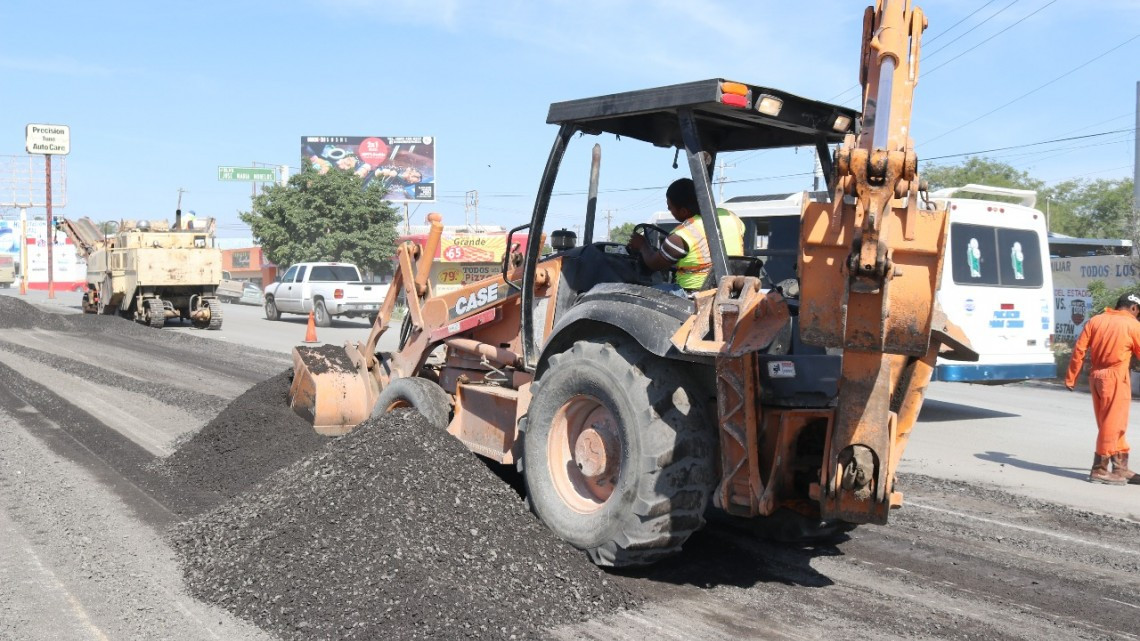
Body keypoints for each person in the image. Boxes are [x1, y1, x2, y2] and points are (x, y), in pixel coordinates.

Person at [1065, 292, 1140, 485]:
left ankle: (1120, 467)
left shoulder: (1095, 321)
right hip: (1116, 377)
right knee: (1112, 424)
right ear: (1133, 308)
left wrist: (1071, 377)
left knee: (1113, 423)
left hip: (1096, 377)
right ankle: (1099, 470)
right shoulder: (1132, 325)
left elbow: (1079, 349)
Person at [628, 178, 745, 293]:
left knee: (634, 293)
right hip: (729, 288)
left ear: (684, 211)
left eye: (670, 207)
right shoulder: (731, 217)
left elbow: (654, 264)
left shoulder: (682, 235)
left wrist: (642, 245)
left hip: (693, 293)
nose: (669, 209)